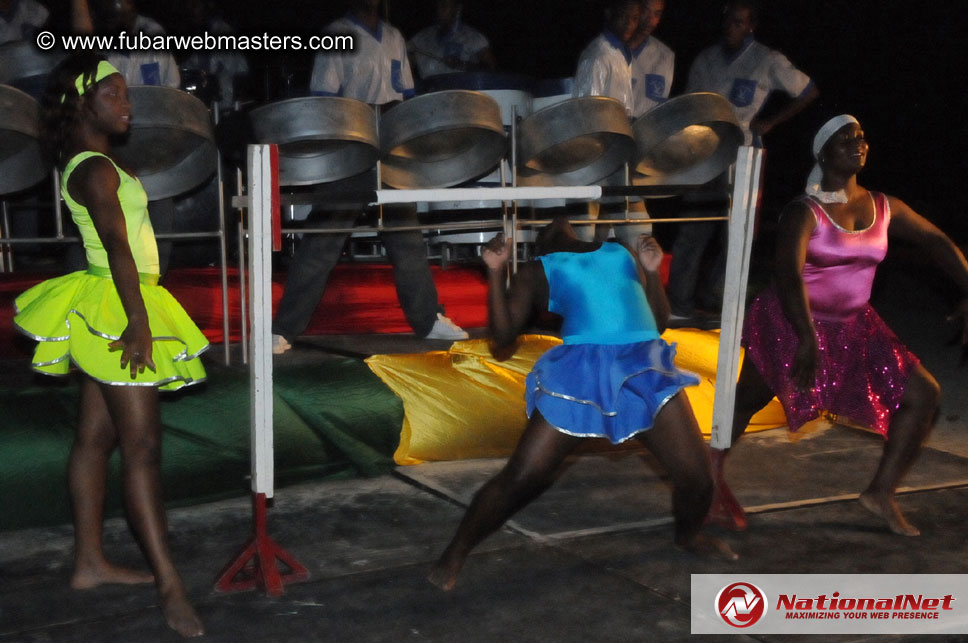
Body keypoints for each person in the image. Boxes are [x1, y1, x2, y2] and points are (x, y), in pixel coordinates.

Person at [428, 220, 736, 591]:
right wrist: (494, 272)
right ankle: (455, 552)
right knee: (522, 477)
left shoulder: (618, 252)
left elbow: (655, 323)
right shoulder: (536, 269)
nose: (556, 224)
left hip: (643, 367)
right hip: (583, 374)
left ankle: (688, 537)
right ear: (539, 244)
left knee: (697, 476)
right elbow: (502, 338)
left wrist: (653, 274)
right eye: (547, 227)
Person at [14, 54, 207, 637]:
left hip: (114, 300)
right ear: (83, 104)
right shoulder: (94, 169)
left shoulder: (94, 163)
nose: (128, 105)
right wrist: (139, 323)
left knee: (96, 437)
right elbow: (118, 250)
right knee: (142, 446)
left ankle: (90, 564)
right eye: (116, 95)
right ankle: (171, 583)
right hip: (118, 307)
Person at [707, 115, 968, 537]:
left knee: (924, 393)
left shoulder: (885, 206)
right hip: (791, 320)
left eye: (862, 136)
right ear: (824, 152)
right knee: (747, 399)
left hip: (855, 326)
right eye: (846, 138)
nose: (858, 142)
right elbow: (789, 274)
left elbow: (936, 241)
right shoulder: (803, 210)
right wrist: (806, 336)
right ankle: (709, 476)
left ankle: (880, 493)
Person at [272, 0, 468, 354]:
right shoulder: (335, 35)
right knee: (323, 241)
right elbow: (325, 99)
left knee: (406, 239)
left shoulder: (393, 36)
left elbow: (404, 94)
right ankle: (284, 329)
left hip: (390, 147)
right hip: (352, 148)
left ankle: (428, 319)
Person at [667, 0, 818, 322]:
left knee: (737, 233)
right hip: (704, 156)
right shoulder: (706, 59)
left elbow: (807, 91)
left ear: (751, 25)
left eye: (739, 22)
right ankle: (678, 305)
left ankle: (717, 300)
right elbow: (689, 105)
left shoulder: (766, 59)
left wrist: (773, 121)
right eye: (728, 20)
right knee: (693, 230)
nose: (731, 27)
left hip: (744, 156)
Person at [407, 0, 496, 80]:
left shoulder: (474, 38)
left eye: (444, 6)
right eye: (437, 6)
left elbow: (492, 70)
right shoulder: (420, 39)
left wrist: (463, 65)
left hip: (463, 95)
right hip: (429, 96)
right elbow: (403, 68)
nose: (439, 11)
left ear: (457, 9)